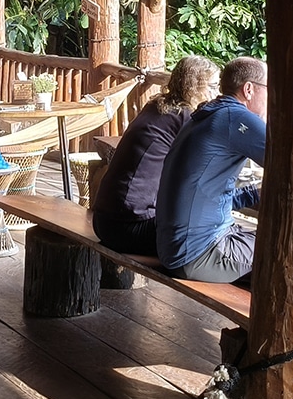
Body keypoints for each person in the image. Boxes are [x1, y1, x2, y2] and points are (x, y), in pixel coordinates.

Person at [154, 56, 268, 284]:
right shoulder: (237, 117)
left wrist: (254, 194)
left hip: (176, 248)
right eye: (268, 88)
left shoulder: (207, 114)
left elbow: (206, 195)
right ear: (249, 89)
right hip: (199, 254)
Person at [91, 55, 219, 256]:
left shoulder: (156, 106)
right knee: (209, 240)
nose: (218, 93)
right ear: (195, 87)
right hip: (128, 227)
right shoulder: (186, 119)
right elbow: (203, 171)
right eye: (214, 86)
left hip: (103, 221)